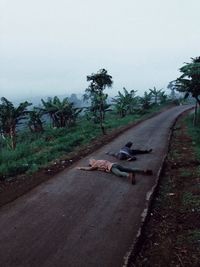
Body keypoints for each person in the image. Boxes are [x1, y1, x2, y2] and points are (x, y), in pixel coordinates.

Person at [76, 158, 153, 185]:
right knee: (129, 168)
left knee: (119, 174)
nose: (90, 164)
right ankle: (144, 171)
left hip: (111, 167)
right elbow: (91, 159)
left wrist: (80, 168)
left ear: (92, 163)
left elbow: (89, 169)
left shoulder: (94, 165)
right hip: (114, 164)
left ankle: (129, 175)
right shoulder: (99, 160)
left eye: (90, 164)